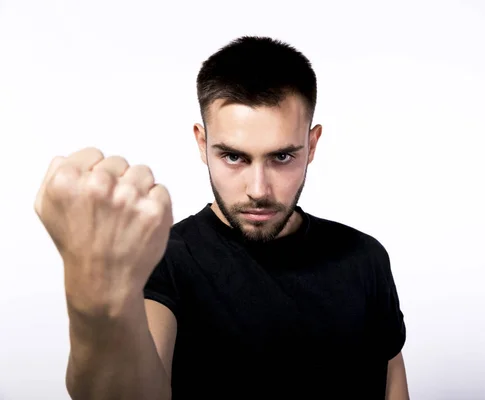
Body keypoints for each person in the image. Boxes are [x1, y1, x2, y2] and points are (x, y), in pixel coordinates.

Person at [34, 36, 409, 399]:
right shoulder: (165, 257)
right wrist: (93, 294)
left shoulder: (364, 257)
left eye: (282, 157)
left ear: (311, 145)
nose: (258, 189)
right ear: (202, 143)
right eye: (234, 157)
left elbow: (391, 380)